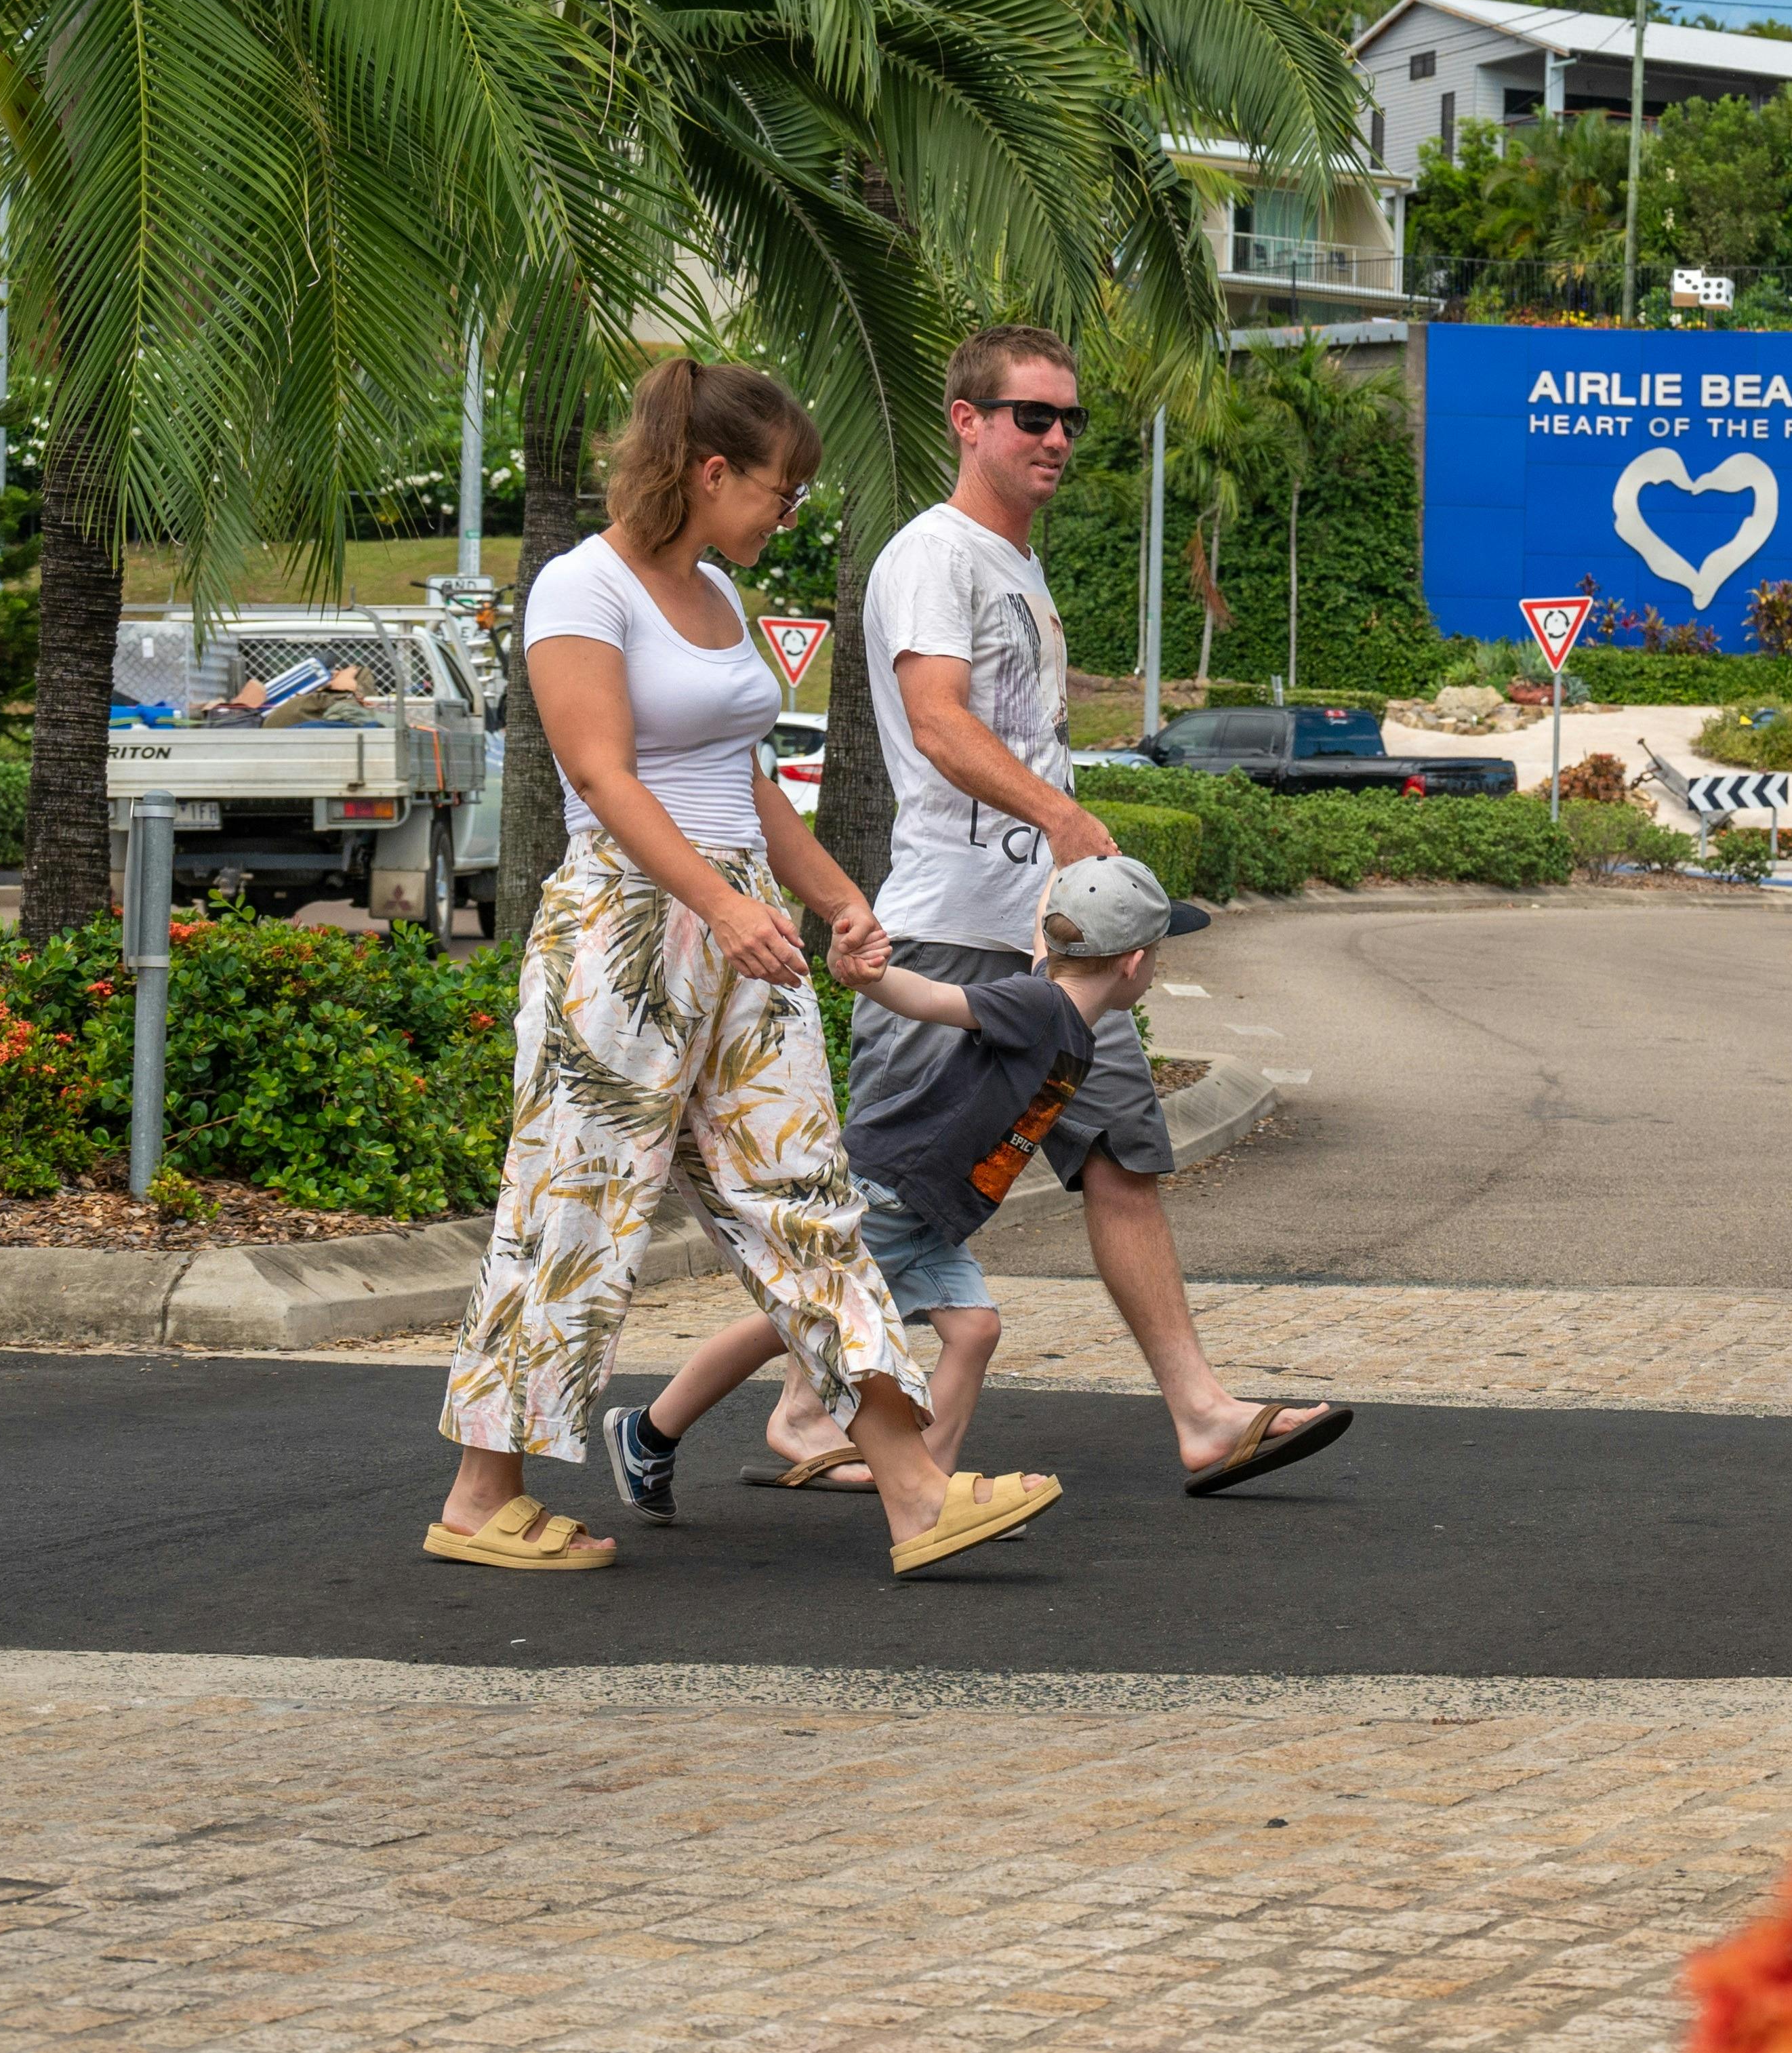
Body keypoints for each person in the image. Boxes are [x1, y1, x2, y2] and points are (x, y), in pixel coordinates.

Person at [429, 354, 1061, 1581]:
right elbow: (606, 778)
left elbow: (742, 777)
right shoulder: (581, 587)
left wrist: (831, 898)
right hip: (623, 926)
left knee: (808, 1199)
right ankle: (477, 1493)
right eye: (779, 487)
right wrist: (717, 905)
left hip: (739, 922)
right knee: (573, 1203)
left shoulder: (714, 590)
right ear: (710, 471)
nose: (790, 510)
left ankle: (913, 1486)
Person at [746, 321, 1347, 1499]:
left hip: (1057, 940)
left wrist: (1077, 866)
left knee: (1122, 1153)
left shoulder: (1014, 563)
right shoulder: (936, 554)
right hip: (952, 926)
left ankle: (1204, 1416)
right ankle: (798, 1408)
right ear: (967, 421)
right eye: (1033, 414)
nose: (1058, 436)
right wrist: (1068, 823)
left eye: (1071, 418)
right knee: (892, 1193)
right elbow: (939, 724)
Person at [603, 857, 1197, 1517]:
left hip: (931, 1215)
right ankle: (648, 1431)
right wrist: (873, 976)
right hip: (892, 1193)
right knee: (792, 1322)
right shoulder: (1037, 1005)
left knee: (973, 1330)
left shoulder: (1049, 993)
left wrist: (1059, 864)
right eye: (1160, 958)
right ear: (1134, 963)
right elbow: (938, 1000)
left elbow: (1043, 941)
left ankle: (932, 1494)